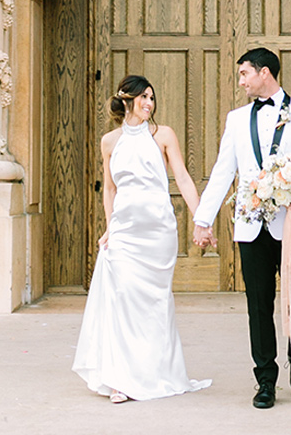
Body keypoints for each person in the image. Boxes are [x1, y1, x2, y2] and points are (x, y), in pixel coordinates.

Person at [193, 48, 291, 409]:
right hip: (250, 226)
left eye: (244, 74)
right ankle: (265, 378)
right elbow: (224, 169)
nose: (240, 82)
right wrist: (203, 219)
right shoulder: (236, 119)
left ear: (264, 73)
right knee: (258, 304)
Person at [73, 75, 211, 403]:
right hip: (124, 231)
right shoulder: (109, 141)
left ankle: (156, 373)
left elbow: (183, 177)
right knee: (121, 301)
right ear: (127, 101)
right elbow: (109, 188)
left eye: (152, 97)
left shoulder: (163, 135)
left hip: (158, 231)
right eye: (143, 97)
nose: (149, 103)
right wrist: (109, 227)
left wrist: (201, 219)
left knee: (154, 304)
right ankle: (120, 380)